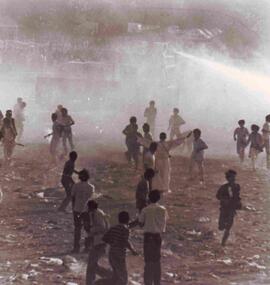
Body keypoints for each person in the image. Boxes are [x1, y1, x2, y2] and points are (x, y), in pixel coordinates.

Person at [139, 190, 168, 285]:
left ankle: (148, 282)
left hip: (148, 237)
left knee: (148, 262)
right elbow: (164, 221)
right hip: (157, 237)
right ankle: (157, 282)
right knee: (156, 261)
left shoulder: (145, 210)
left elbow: (141, 223)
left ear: (149, 198)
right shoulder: (163, 209)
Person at [102, 211, 138, 285]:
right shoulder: (125, 229)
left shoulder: (113, 227)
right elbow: (125, 241)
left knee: (116, 276)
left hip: (111, 252)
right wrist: (132, 250)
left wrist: (114, 243)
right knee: (123, 277)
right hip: (119, 254)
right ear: (128, 219)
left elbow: (105, 238)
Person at [85, 200, 110, 285]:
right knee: (92, 263)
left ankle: (109, 275)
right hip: (98, 240)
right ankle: (108, 275)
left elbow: (102, 227)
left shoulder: (97, 214)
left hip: (100, 241)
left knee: (91, 264)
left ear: (91, 207)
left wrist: (91, 230)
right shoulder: (96, 213)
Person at [71, 169, 95, 253]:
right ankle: (87, 247)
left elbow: (73, 197)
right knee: (88, 229)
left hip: (77, 210)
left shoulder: (76, 186)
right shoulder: (91, 187)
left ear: (79, 177)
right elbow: (91, 199)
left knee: (77, 229)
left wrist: (73, 207)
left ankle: (76, 248)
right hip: (86, 211)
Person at [216, 170, 242, 246]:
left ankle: (223, 243)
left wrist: (238, 203)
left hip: (232, 208)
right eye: (232, 178)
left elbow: (237, 196)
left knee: (229, 226)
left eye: (234, 177)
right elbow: (217, 196)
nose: (233, 179)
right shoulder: (223, 187)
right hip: (224, 208)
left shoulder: (237, 186)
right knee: (221, 227)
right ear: (228, 178)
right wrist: (224, 200)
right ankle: (223, 234)